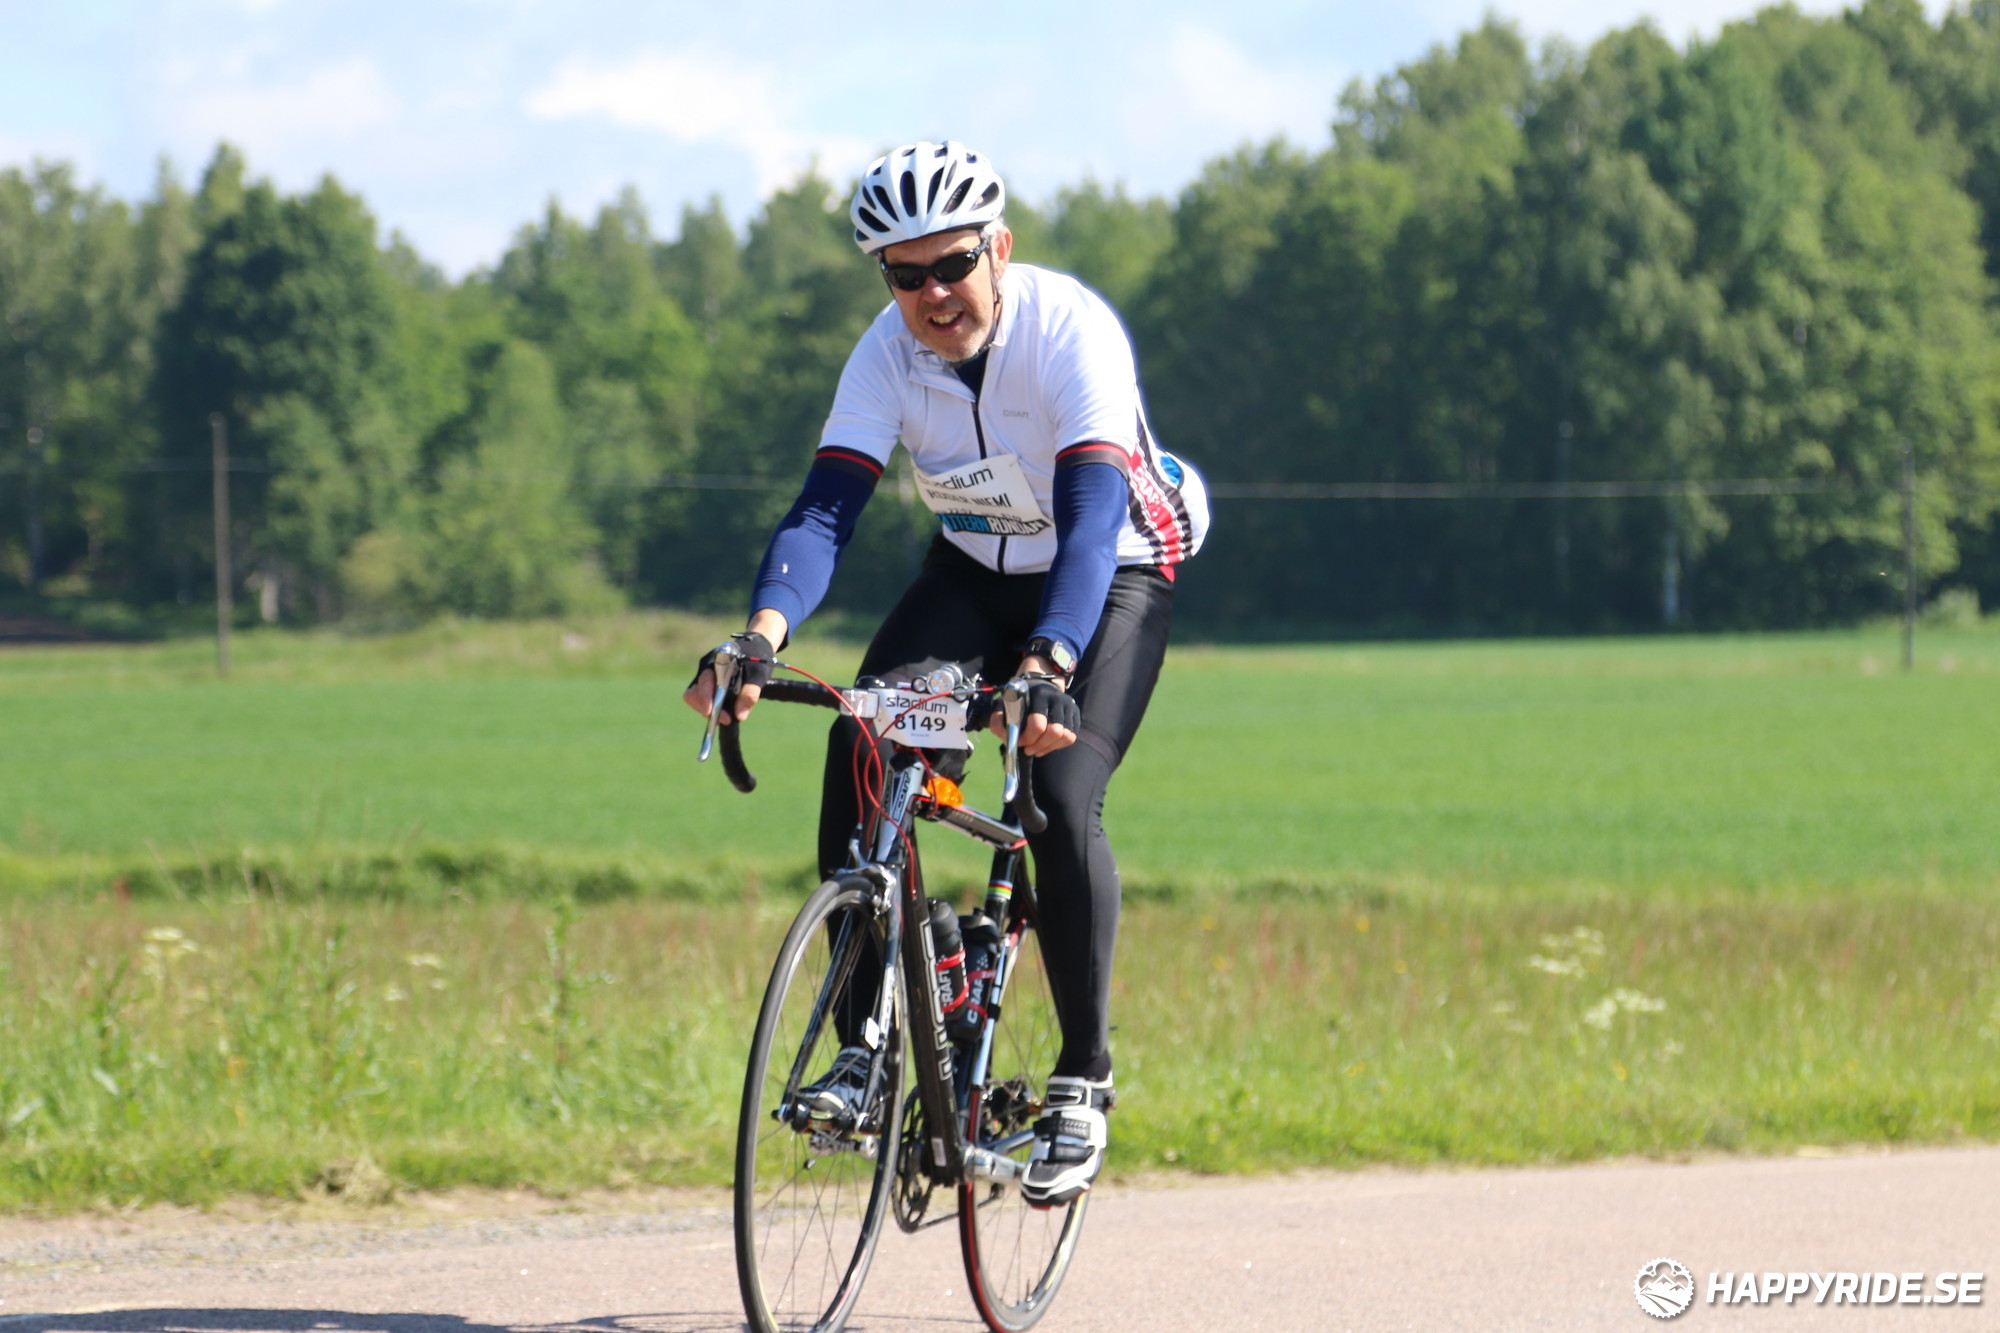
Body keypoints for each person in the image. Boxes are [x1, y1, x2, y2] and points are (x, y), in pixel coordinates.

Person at [684, 140, 1208, 1205]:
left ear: (998, 249)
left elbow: (1090, 517)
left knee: (1056, 791)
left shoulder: (1070, 331)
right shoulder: (886, 352)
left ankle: (1082, 1076)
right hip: (973, 568)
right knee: (863, 740)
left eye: (953, 264)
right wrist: (759, 636)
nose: (931, 294)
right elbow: (825, 507)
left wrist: (1048, 663)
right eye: (904, 273)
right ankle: (862, 1050)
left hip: (1109, 570)